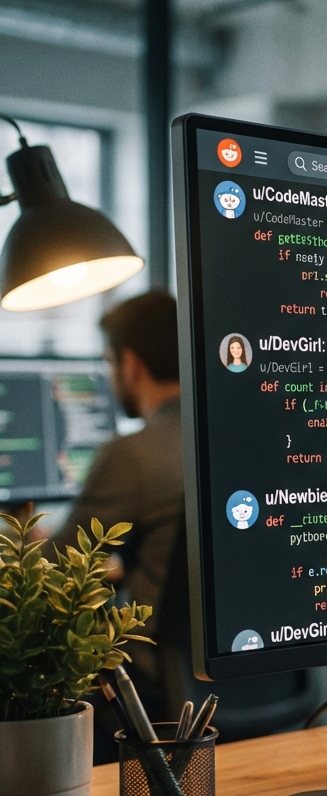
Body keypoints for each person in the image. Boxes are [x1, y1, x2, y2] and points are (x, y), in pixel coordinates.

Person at [49, 291, 183, 689]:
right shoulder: (239, 439)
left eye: (109, 363)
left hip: (155, 693)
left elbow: (58, 566)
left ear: (131, 364)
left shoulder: (132, 455)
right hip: (264, 686)